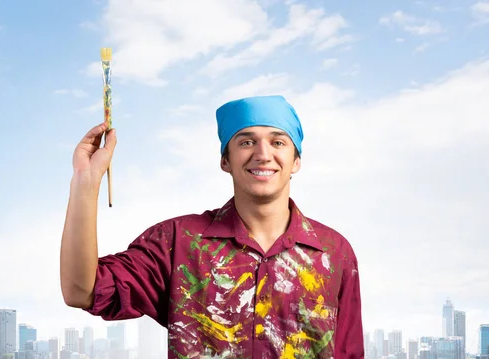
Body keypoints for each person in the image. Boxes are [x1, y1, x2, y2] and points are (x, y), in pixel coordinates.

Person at [60, 95, 364, 358]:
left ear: (295, 160)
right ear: (225, 160)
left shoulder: (334, 253)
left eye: (278, 141)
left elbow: (349, 353)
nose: (262, 153)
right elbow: (81, 291)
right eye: (246, 141)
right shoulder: (177, 243)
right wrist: (86, 182)